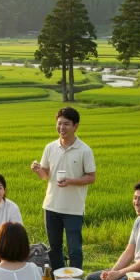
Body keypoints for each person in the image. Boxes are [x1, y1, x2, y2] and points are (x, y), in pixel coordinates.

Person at [31, 107, 96, 270]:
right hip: (51, 206)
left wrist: (71, 181)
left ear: (76, 126)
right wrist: (38, 170)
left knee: (74, 249)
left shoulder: (84, 150)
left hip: (73, 208)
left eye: (66, 124)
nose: (62, 127)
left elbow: (91, 177)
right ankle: (60, 279)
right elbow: (45, 175)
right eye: (59, 123)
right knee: (54, 248)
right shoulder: (50, 147)